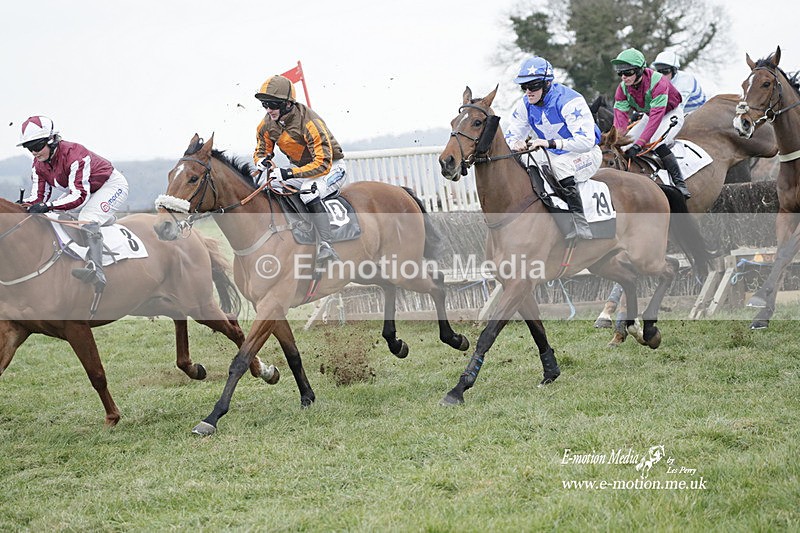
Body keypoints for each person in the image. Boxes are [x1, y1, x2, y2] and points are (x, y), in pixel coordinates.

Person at [18, 115, 129, 289]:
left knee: (87, 217)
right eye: (29, 148)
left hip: (110, 185)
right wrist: (21, 206)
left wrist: (48, 206)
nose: (34, 152)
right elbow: (37, 198)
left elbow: (79, 197)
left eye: (38, 146)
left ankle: (97, 270)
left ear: (52, 140)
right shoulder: (38, 164)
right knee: (54, 215)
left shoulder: (75, 155)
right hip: (84, 189)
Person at [504, 56, 603, 239]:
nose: (528, 92)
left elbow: (585, 142)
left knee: (560, 166)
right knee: (525, 159)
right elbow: (511, 134)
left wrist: (550, 143)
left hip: (586, 153)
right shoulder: (526, 104)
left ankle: (580, 224)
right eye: (523, 87)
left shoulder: (570, 101)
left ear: (547, 83)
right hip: (553, 154)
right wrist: (514, 143)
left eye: (533, 86)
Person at [253, 75, 346, 264]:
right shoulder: (266, 125)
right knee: (271, 186)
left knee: (308, 192)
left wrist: (288, 172)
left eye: (272, 104)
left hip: (331, 168)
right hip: (303, 168)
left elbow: (322, 164)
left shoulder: (310, 123)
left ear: (288, 104)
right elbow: (262, 149)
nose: (268, 110)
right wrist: (261, 160)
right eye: (265, 105)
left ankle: (327, 245)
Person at [611, 48, 691, 199]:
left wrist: (639, 144)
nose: (623, 77)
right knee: (624, 145)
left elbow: (656, 118)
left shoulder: (659, 82)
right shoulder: (622, 89)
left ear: (640, 70)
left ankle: (679, 183)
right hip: (649, 114)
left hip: (670, 113)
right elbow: (620, 120)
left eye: (628, 73)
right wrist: (616, 140)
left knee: (656, 142)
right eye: (620, 73)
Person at [651, 50, 707, 114]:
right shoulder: (657, 81)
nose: (661, 75)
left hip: (699, 112)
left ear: (674, 70)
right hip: (683, 113)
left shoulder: (685, 80)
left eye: (665, 71)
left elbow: (677, 109)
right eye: (658, 71)